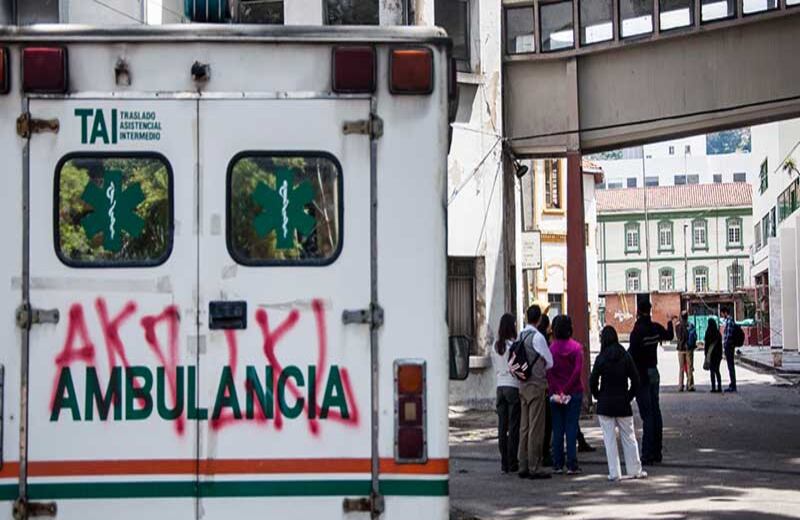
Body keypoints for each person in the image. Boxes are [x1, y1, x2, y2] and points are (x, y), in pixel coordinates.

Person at [590, 326, 647, 481]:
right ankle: (635, 470)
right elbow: (636, 380)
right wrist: (629, 396)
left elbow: (592, 381)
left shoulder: (601, 358)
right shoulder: (625, 356)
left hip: (605, 404)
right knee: (629, 437)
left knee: (609, 440)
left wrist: (598, 396)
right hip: (622, 402)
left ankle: (614, 473)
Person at [627, 301, 674, 465]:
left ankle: (647, 454)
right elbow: (669, 336)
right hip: (654, 372)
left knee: (647, 415)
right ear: (650, 311)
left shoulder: (637, 331)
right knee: (656, 412)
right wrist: (669, 321)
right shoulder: (655, 328)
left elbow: (631, 355)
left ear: (638, 311)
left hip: (642, 375)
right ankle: (657, 452)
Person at [517, 305, 554, 480]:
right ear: (539, 319)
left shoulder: (521, 334)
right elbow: (550, 361)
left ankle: (522, 463)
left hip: (522, 384)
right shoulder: (538, 337)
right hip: (536, 385)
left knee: (524, 426)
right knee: (536, 427)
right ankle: (534, 465)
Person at [547, 315, 585, 475]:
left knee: (557, 429)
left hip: (555, 394)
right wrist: (567, 389)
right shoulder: (577, 348)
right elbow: (577, 372)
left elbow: (548, 371)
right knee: (571, 428)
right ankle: (571, 463)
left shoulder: (551, 349)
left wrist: (558, 390)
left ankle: (557, 463)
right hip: (574, 392)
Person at [493, 313, 521, 474]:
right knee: (514, 426)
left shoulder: (495, 346)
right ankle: (512, 461)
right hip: (512, 386)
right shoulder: (513, 345)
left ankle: (504, 462)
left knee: (502, 427)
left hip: (500, 387)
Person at [536, 314, 553, 468]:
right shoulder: (541, 340)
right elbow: (550, 362)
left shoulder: (524, 336)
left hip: (524, 384)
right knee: (546, 422)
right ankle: (544, 454)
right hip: (542, 385)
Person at [675, 311, 695, 392]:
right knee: (689, 367)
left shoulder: (677, 326)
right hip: (689, 348)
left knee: (681, 368)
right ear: (687, 316)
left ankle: (680, 385)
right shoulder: (690, 325)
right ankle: (690, 385)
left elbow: (677, 336)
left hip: (680, 348)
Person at [720, 308, 737, 393]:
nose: (722, 316)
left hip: (729, 346)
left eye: (722, 314)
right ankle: (732, 384)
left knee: (731, 366)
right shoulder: (729, 321)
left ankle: (733, 385)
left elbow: (728, 335)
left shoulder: (729, 321)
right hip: (730, 346)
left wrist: (725, 345)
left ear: (725, 312)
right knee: (730, 366)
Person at [704, 319, 723, 393]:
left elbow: (706, 345)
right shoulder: (718, 333)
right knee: (717, 371)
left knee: (712, 371)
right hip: (718, 355)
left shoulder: (708, 333)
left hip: (711, 355)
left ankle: (713, 387)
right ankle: (719, 387)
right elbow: (720, 345)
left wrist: (706, 355)